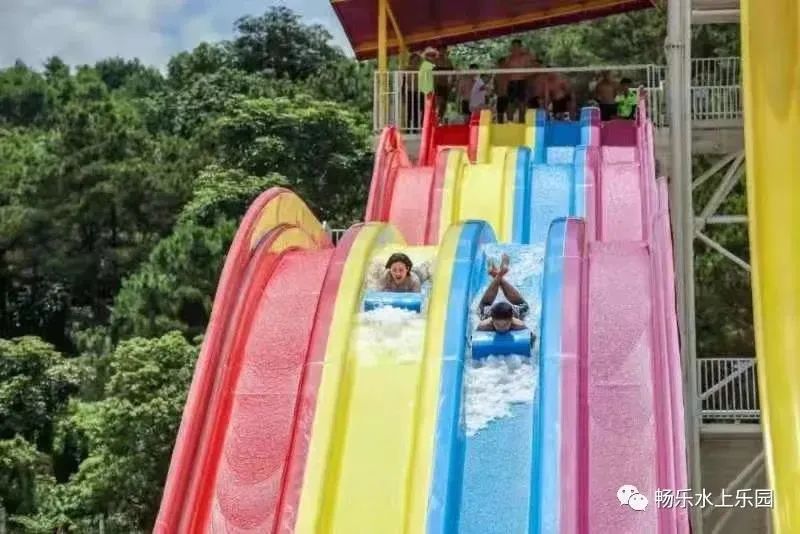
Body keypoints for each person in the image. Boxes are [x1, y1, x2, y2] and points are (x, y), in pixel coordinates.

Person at [476, 254, 529, 332]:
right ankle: (498, 274)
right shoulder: (483, 325)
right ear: (492, 320)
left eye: (505, 324)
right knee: (524, 306)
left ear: (511, 320)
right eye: (497, 324)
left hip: (511, 311)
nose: (501, 328)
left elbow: (532, 336)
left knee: (483, 305)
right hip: (492, 312)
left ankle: (496, 275)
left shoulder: (519, 325)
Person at [504, 39, 536, 122]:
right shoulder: (509, 58)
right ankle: (509, 122)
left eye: (517, 46)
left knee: (522, 103)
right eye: (513, 46)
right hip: (511, 82)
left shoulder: (525, 57)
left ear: (520, 47)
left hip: (522, 81)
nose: (515, 48)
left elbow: (533, 62)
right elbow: (505, 71)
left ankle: (522, 122)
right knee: (510, 103)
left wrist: (527, 52)